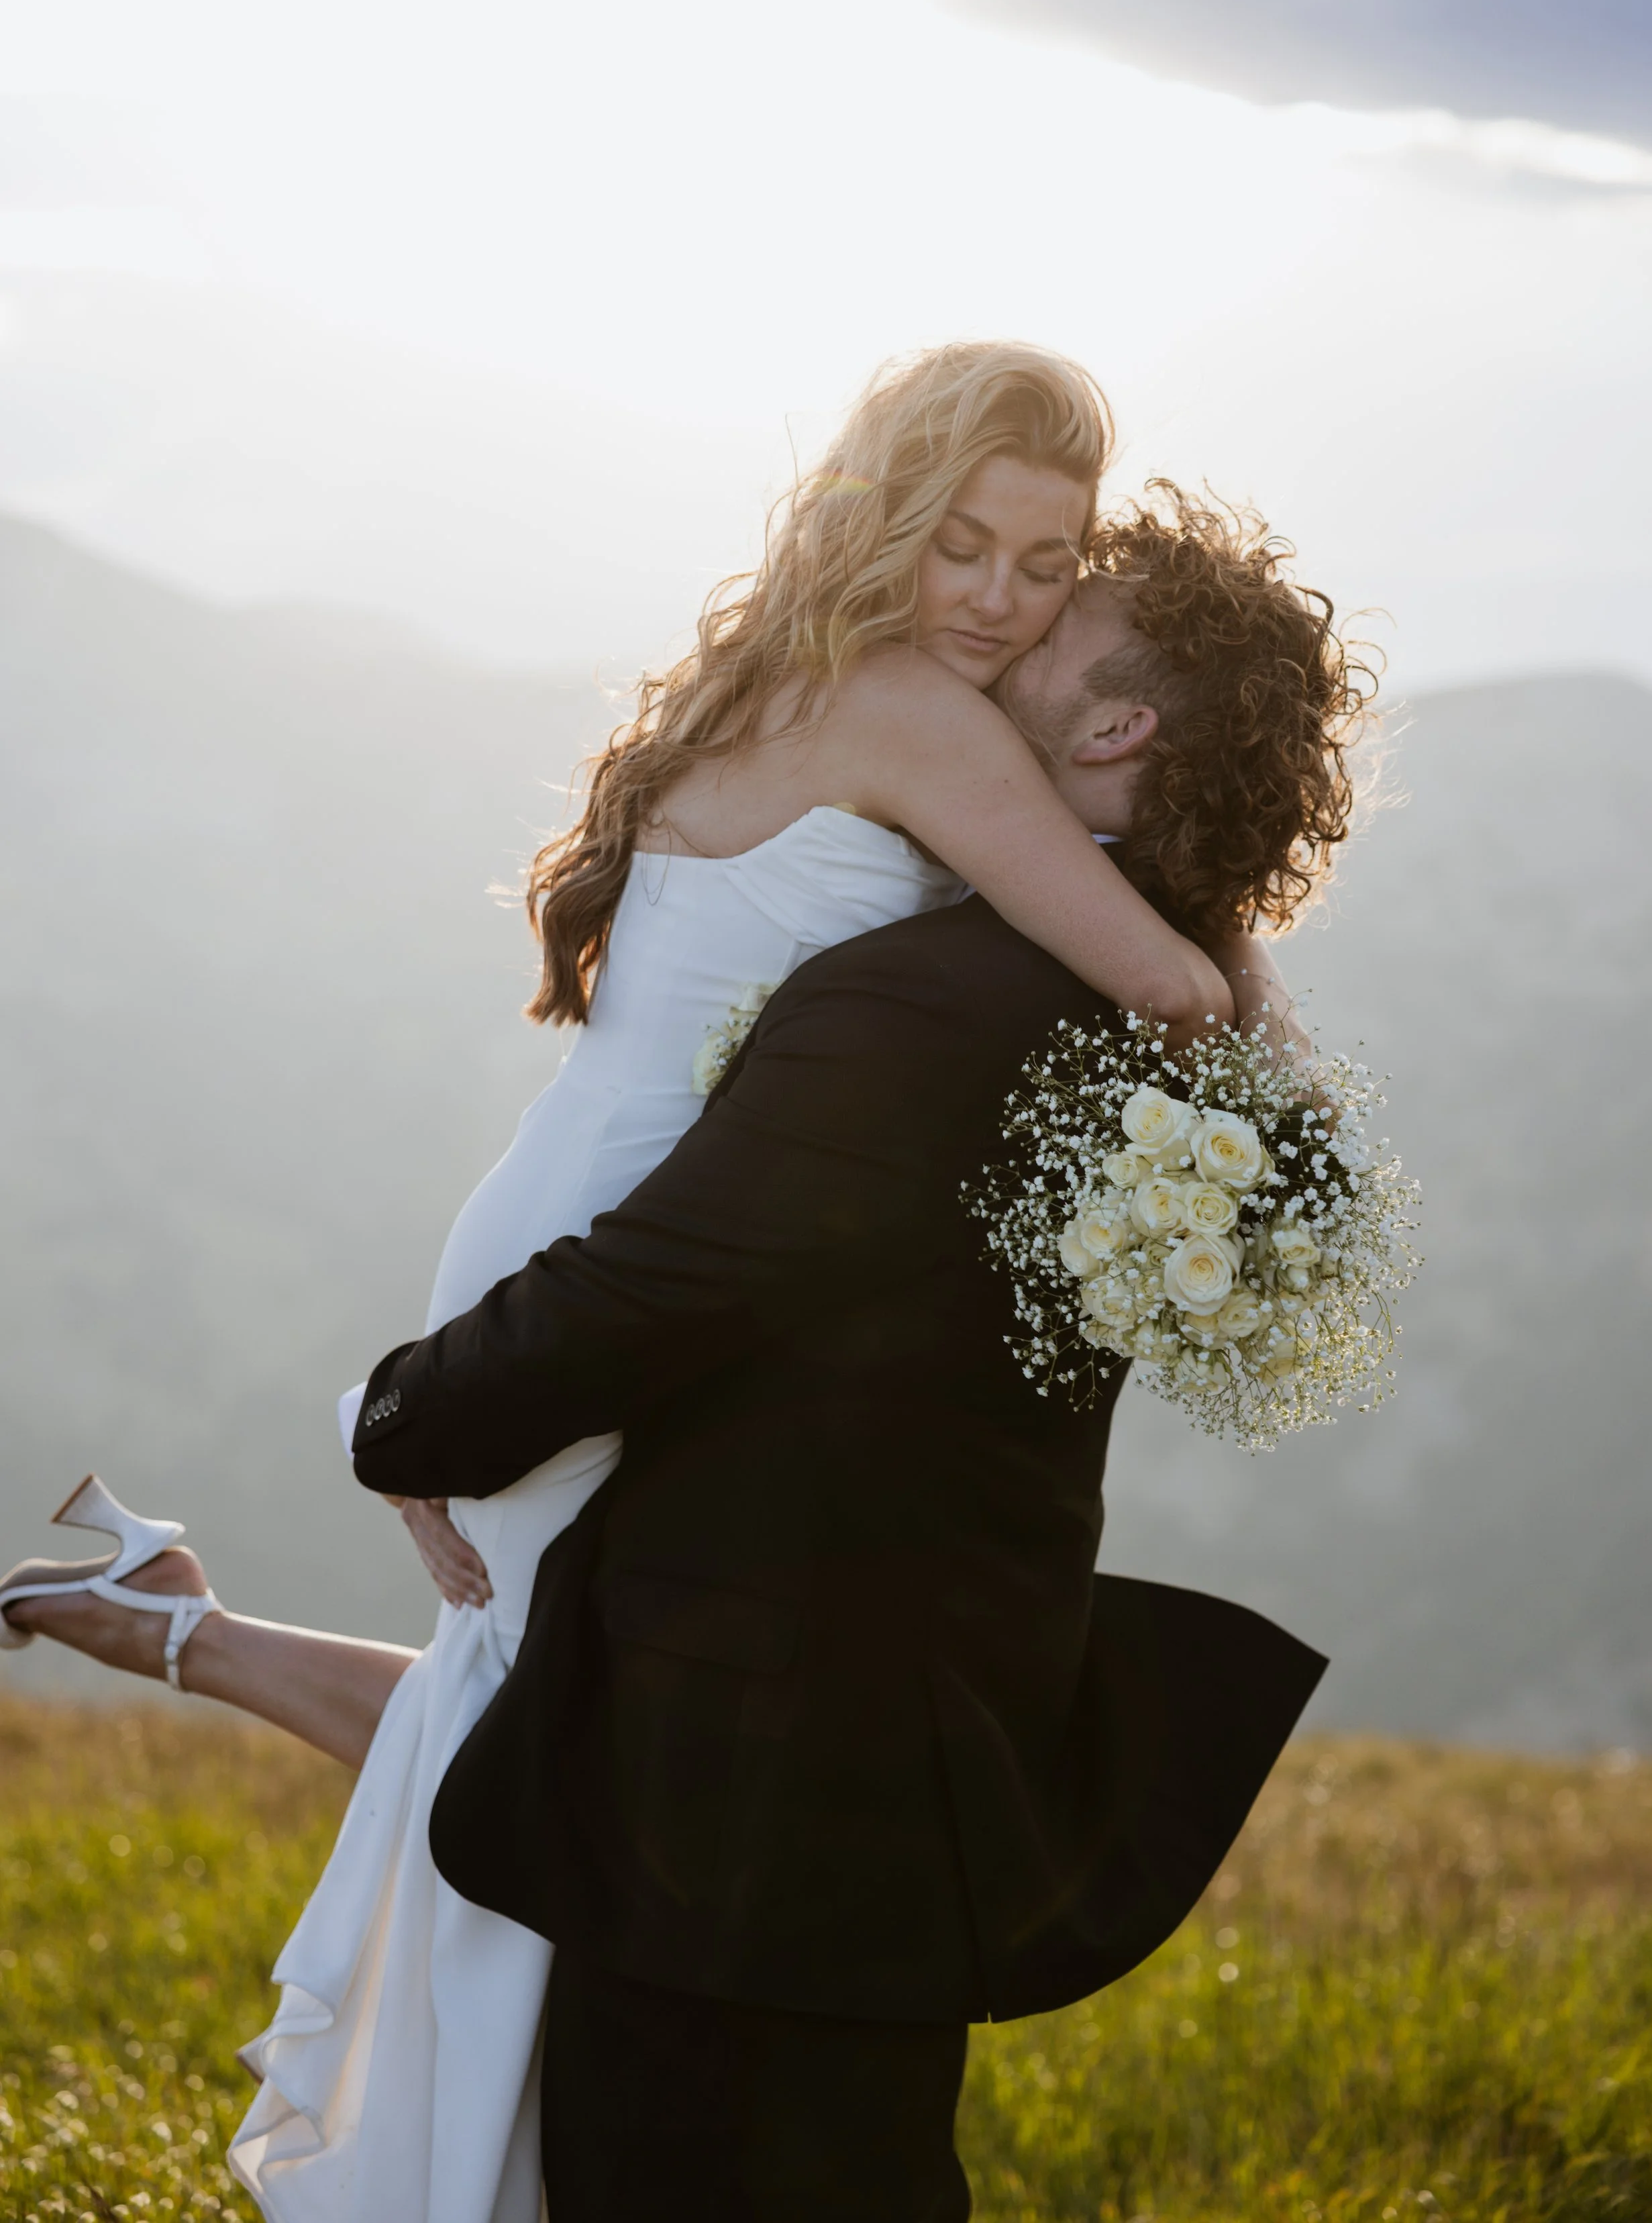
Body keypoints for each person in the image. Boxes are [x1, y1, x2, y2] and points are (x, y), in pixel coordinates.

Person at [1, 348, 1367, 2221]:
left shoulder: (855, 736)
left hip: (613, 1274)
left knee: (531, 1698)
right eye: (964, 544)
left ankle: (190, 1643)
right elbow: (1159, 979)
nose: (1001, 600)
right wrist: (421, 1403)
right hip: (607, 1263)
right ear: (884, 509)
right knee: (535, 1699)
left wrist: (424, 1406)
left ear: (1120, 712)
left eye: (1046, 571)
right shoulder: (929, 761)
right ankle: (443, 2101)